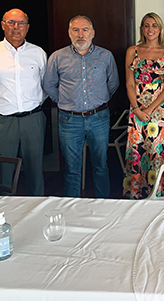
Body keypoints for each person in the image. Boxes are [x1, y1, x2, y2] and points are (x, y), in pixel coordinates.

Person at [44, 15, 119, 198]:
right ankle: (73, 208)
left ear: (92, 33)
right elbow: (49, 85)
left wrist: (100, 100)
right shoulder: (58, 57)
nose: (80, 34)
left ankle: (104, 205)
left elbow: (113, 83)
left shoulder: (105, 56)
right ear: (69, 33)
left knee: (101, 165)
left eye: (85, 30)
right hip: (69, 119)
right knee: (72, 168)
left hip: (99, 118)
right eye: (75, 30)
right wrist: (64, 102)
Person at [0, 8, 47, 196]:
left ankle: (36, 210)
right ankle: (2, 215)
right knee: (1, 173)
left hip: (33, 120)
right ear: (2, 25)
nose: (16, 27)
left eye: (21, 23)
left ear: (27, 27)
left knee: (35, 171)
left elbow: (45, 85)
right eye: (11, 22)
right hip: (0, 122)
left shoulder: (38, 53)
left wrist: (33, 103)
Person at [123, 12, 164, 199]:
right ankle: (139, 194)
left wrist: (150, 108)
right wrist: (137, 109)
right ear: (142, 29)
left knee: (161, 151)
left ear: (160, 29)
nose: (150, 29)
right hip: (137, 108)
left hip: (163, 110)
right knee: (139, 150)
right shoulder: (133, 51)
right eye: (146, 25)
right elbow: (129, 83)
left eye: (154, 25)